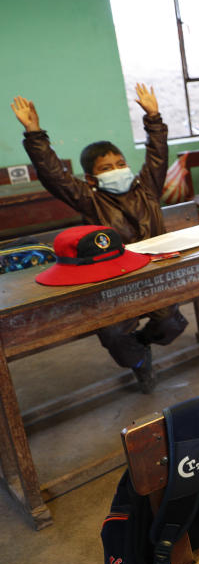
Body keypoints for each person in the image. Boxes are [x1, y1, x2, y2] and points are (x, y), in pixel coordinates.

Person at [10, 86, 188, 392]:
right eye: (106, 168)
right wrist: (34, 132)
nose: (117, 171)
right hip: (110, 283)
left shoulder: (147, 188)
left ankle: (143, 341)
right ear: (91, 179)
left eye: (120, 164)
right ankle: (140, 362)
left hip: (153, 274)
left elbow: (158, 155)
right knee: (114, 336)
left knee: (171, 324)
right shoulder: (89, 199)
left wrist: (153, 117)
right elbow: (54, 175)